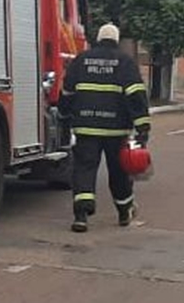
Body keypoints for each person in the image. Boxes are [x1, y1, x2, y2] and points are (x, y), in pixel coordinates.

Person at [59, 23, 151, 233]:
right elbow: (136, 96)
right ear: (117, 40)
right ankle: (124, 212)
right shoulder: (125, 62)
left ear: (98, 39)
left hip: (85, 128)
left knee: (84, 169)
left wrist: (64, 115)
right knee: (119, 172)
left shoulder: (81, 60)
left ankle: (81, 216)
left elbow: (67, 92)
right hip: (115, 130)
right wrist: (142, 127)